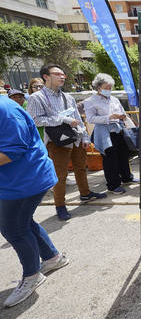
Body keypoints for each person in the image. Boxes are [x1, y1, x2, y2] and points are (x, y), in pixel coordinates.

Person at [0, 95, 70, 308]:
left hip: (26, 181)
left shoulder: (5, 109)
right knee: (24, 222)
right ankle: (52, 258)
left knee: (14, 229)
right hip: (16, 181)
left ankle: (32, 276)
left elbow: (14, 150)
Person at [27, 64, 106, 220]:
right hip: (57, 142)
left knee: (81, 168)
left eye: (63, 74)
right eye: (57, 74)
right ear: (46, 77)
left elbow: (77, 117)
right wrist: (63, 119)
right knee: (60, 175)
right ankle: (60, 205)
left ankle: (85, 193)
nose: (62, 77)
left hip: (75, 138)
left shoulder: (68, 97)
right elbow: (35, 120)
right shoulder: (37, 97)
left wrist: (84, 136)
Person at [84, 73, 137, 194]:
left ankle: (126, 177)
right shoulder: (91, 101)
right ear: (98, 87)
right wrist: (108, 117)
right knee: (110, 159)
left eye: (110, 87)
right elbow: (91, 118)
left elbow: (122, 111)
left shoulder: (114, 99)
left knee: (124, 155)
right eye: (106, 87)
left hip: (119, 129)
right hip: (104, 132)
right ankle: (113, 185)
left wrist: (123, 117)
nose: (109, 90)